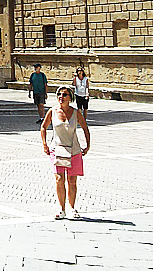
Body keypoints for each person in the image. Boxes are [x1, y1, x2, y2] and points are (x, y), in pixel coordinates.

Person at [41, 85, 91, 220]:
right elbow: (43, 127)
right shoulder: (52, 111)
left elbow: (85, 128)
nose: (61, 97)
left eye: (64, 95)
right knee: (59, 179)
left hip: (74, 150)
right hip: (57, 149)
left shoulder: (76, 113)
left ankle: (72, 208)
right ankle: (61, 209)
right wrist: (45, 145)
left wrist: (87, 146)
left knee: (72, 180)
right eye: (59, 95)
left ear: (70, 98)